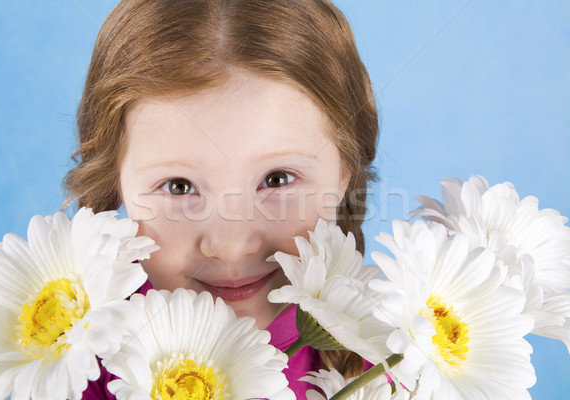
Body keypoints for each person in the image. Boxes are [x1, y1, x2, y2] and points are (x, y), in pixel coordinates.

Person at [64, 0, 378, 397]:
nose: (230, 246)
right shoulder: (75, 367)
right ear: (115, 185)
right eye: (179, 186)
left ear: (344, 175)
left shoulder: (395, 369)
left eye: (277, 179)